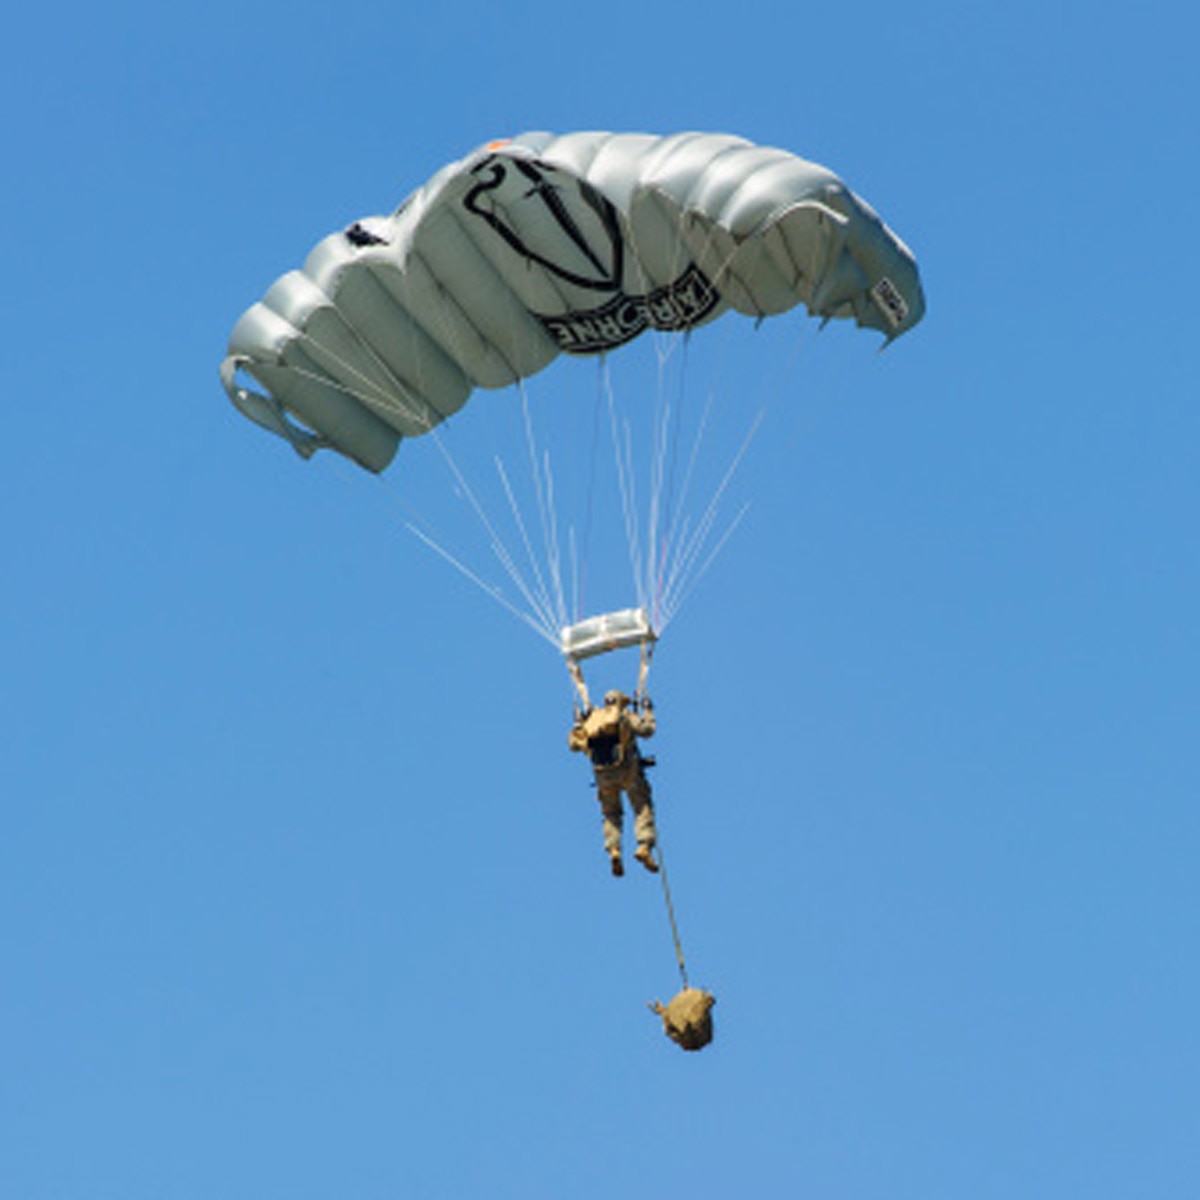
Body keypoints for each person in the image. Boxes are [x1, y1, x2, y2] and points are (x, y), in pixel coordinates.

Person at [568, 689, 659, 877]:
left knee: (611, 814)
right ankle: (644, 846)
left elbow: (573, 745)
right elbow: (647, 731)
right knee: (642, 808)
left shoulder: (593, 718)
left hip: (604, 777)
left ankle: (614, 849)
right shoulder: (625, 715)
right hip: (628, 772)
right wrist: (648, 711)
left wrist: (578, 723)